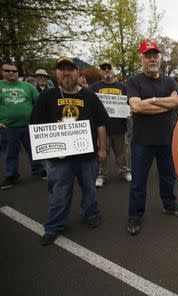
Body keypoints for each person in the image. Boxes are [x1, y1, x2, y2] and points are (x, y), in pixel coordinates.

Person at [30, 56, 109, 246]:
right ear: (56, 74)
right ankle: (54, 227)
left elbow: (101, 124)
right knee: (59, 193)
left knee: (90, 189)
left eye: (70, 69)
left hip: (87, 156)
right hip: (59, 157)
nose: (66, 72)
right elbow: (36, 126)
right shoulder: (47, 97)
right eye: (62, 69)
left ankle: (91, 214)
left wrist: (102, 149)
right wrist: (48, 151)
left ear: (77, 73)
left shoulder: (89, 96)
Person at [126, 40, 178, 236]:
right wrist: (165, 104)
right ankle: (135, 215)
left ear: (159, 58)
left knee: (168, 177)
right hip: (142, 141)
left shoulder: (168, 81)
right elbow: (136, 106)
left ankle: (169, 205)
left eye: (155, 55)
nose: (152, 59)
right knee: (138, 182)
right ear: (141, 58)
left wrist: (151, 101)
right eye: (148, 55)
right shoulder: (134, 81)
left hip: (165, 140)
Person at [0, 62, 46, 190]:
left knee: (35, 150)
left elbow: (39, 103)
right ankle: (11, 176)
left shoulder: (27, 87)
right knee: (10, 153)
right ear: (2, 72)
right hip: (7, 127)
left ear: (17, 73)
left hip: (28, 125)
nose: (11, 73)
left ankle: (38, 170)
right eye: (7, 70)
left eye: (14, 71)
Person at [90, 60, 131, 188]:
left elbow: (130, 103)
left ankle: (124, 171)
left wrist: (129, 112)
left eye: (109, 68)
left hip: (119, 127)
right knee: (102, 153)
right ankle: (101, 175)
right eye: (104, 68)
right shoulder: (94, 87)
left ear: (114, 70)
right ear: (100, 71)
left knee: (122, 153)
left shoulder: (123, 87)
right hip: (102, 128)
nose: (107, 70)